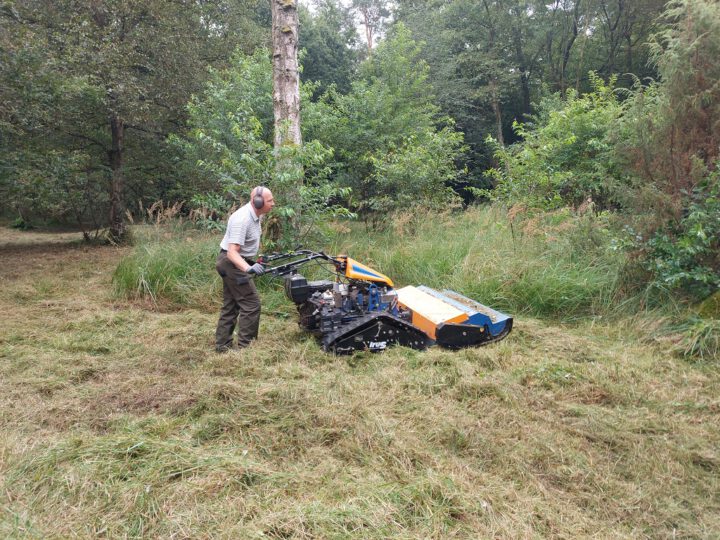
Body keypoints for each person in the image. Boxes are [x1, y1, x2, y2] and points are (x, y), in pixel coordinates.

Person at [214, 186, 275, 352]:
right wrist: (248, 268)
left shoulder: (256, 215)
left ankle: (222, 345)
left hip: (236, 261)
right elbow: (232, 253)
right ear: (258, 201)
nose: (273, 203)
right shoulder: (242, 219)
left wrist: (256, 260)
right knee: (251, 304)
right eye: (270, 201)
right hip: (231, 262)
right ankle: (246, 348)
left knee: (231, 304)